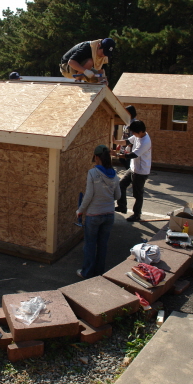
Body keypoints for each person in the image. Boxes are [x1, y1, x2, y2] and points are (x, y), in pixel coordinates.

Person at [76, 145, 121, 279]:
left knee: (90, 245)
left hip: (94, 215)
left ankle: (87, 272)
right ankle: (99, 272)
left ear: (96, 157)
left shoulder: (92, 173)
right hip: (109, 215)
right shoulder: (114, 174)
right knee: (103, 245)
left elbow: (88, 195)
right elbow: (118, 196)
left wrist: (80, 210)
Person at [114, 120, 152, 222]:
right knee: (121, 184)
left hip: (141, 171)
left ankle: (137, 214)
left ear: (140, 131)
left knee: (137, 194)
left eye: (134, 132)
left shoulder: (145, 141)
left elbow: (132, 155)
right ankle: (122, 206)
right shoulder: (138, 136)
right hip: (133, 168)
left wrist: (116, 155)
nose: (133, 134)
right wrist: (115, 141)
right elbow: (127, 141)